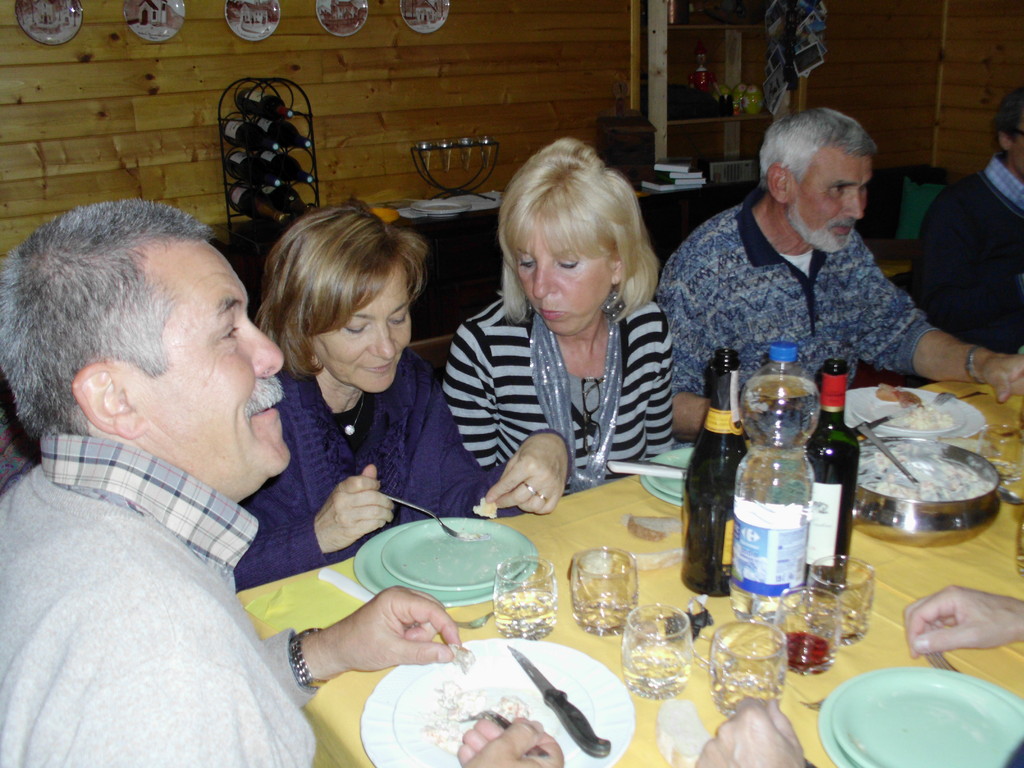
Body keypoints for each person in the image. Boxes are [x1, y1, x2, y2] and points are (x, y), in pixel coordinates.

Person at [0, 198, 542, 767]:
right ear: (113, 396)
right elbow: (183, 687)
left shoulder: (37, 510)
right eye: (227, 332)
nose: (269, 351)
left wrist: (324, 650)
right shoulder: (157, 657)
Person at [238, 203, 568, 590]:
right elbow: (211, 566)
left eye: (397, 319)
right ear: (303, 331)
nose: (387, 348)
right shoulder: (258, 412)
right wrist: (318, 536)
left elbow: (458, 500)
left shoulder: (410, 383)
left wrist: (538, 461)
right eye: (357, 328)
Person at [657, 107, 1024, 441]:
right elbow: (667, 405)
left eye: (864, 188)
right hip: (738, 455)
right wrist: (767, 420)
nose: (858, 209)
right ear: (782, 183)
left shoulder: (841, 247)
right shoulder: (704, 269)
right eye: (839, 189)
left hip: (833, 439)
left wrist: (984, 363)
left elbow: (899, 333)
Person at [443, 137, 673, 491]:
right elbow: (461, 494)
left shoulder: (648, 331)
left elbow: (661, 468)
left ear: (618, 263)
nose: (539, 288)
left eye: (567, 264)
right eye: (527, 262)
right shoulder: (483, 347)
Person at [919, 86, 1024, 354]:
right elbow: (942, 311)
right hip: (981, 366)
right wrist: (1018, 286)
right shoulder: (958, 207)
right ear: (1006, 138)